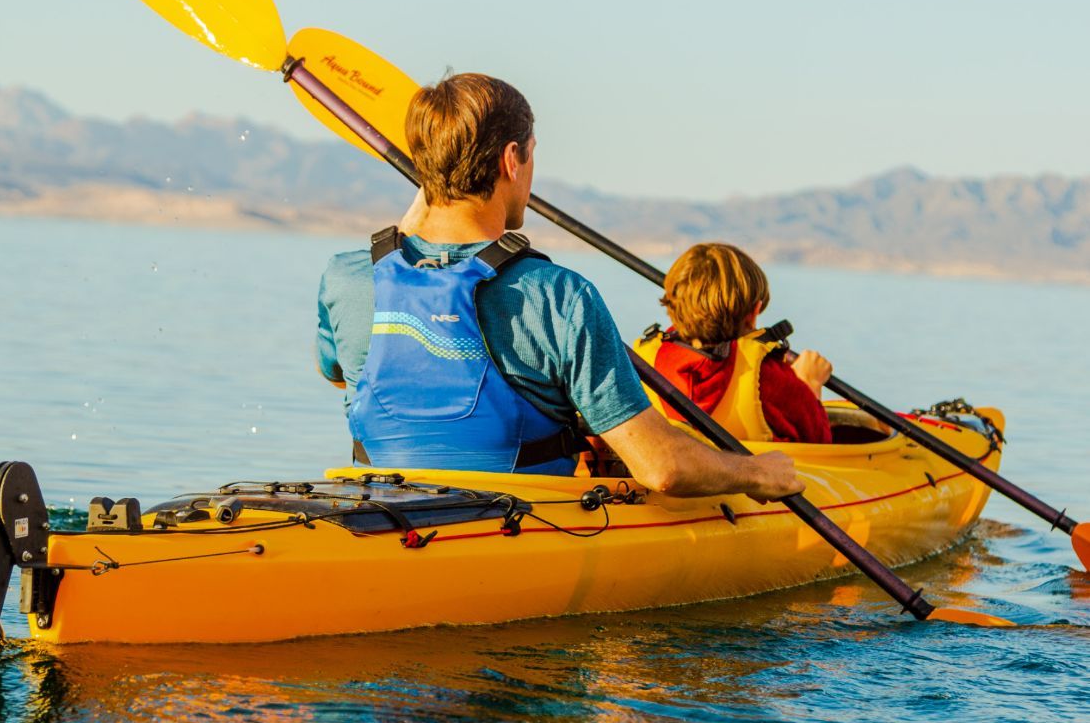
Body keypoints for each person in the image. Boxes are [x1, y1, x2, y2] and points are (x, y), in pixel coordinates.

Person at [316, 73, 804, 499]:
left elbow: (343, 375)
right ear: (513, 159)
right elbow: (662, 468)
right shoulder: (559, 296)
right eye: (530, 157)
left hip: (377, 515)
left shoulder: (348, 277)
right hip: (516, 528)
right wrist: (757, 473)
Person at [634, 243, 833, 444]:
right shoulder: (768, 377)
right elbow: (819, 441)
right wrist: (810, 382)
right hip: (751, 474)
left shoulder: (641, 363)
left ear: (671, 307)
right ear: (754, 312)